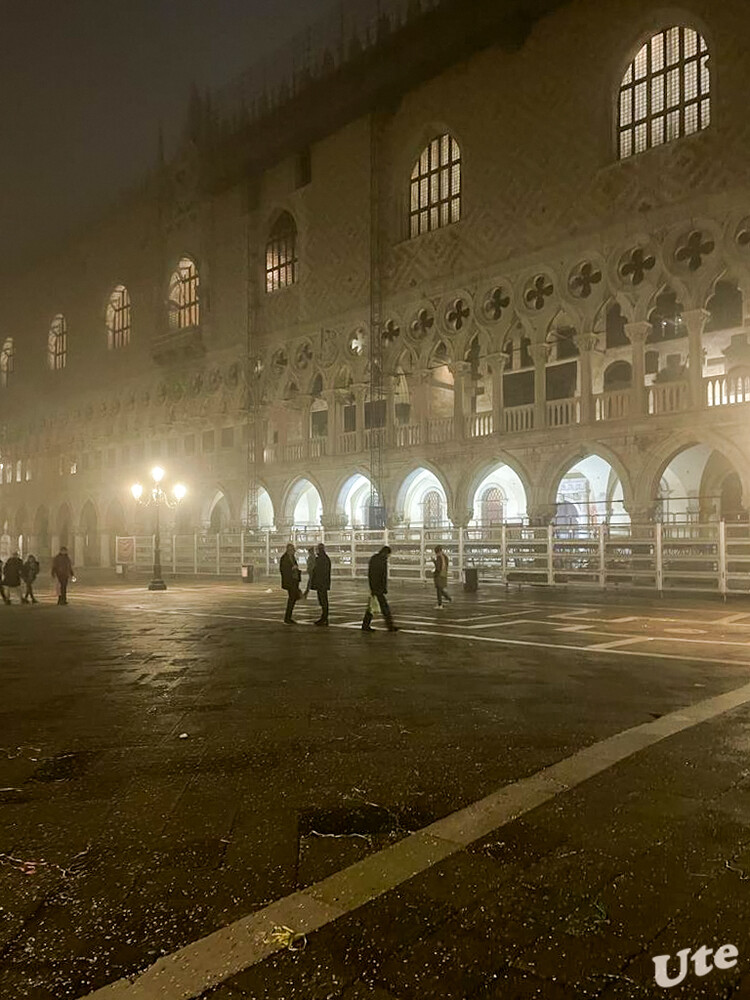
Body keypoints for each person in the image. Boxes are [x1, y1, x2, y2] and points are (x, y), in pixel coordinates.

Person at [362, 545, 398, 632]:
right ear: (386, 553)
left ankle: (365, 625)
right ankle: (390, 626)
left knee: (372, 607)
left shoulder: (374, 559)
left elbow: (371, 574)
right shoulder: (382, 561)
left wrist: (372, 588)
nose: (389, 556)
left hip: (375, 587)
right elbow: (382, 576)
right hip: (378, 588)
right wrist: (382, 588)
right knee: (384, 607)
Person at [279, 542, 302, 624]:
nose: (294, 551)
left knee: (293, 598)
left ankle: (288, 617)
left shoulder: (292, 557)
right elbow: (283, 570)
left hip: (294, 580)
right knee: (292, 599)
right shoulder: (284, 558)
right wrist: (292, 569)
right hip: (290, 581)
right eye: (293, 550)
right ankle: (287, 617)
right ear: (289, 550)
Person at [310, 542, 331, 625]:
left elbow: (318, 571)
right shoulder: (325, 558)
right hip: (324, 583)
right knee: (323, 600)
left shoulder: (320, 559)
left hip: (321, 583)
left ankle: (324, 617)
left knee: (323, 600)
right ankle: (324, 617)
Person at [432, 545, 452, 609]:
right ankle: (448, 598)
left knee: (439, 590)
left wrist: (434, 561)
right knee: (440, 589)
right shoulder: (445, 557)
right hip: (444, 574)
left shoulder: (439, 557)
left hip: (439, 575)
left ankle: (440, 604)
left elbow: (438, 567)